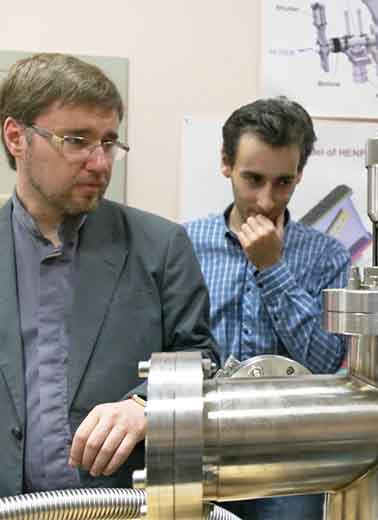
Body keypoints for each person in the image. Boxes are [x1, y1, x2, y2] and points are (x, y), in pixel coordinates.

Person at [0, 53, 218, 497]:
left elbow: (200, 359)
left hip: (122, 503)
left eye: (109, 142)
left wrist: (146, 405)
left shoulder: (160, 246)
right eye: (77, 141)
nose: (100, 163)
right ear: (16, 137)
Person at [185, 97, 349, 519]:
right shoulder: (184, 245)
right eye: (253, 179)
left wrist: (272, 268)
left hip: (292, 458)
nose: (265, 199)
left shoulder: (327, 256)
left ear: (299, 175)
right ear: (226, 163)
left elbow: (325, 363)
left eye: (283, 183)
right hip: (203, 449)